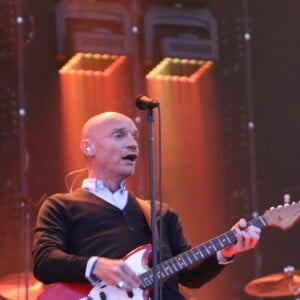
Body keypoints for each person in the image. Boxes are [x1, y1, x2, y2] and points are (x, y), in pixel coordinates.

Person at [32, 111, 261, 299]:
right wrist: (96, 266)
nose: (133, 144)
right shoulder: (61, 206)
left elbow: (188, 276)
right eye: (119, 136)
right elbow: (44, 262)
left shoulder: (160, 213)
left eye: (134, 136)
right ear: (88, 147)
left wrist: (223, 252)